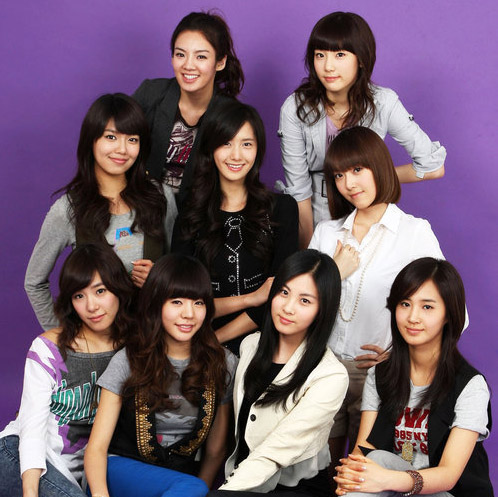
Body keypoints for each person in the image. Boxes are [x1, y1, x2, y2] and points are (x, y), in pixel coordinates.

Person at [240, 258, 495, 497]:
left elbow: (448, 475)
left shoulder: (469, 385)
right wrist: (351, 480)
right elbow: (364, 449)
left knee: (380, 462)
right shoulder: (381, 375)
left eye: (427, 307)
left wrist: (386, 478)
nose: (413, 317)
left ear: (449, 315)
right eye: (405, 304)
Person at [15, 255, 238, 497]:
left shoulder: (224, 364)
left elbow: (217, 450)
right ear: (157, 304)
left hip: (173, 487)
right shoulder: (129, 358)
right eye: (176, 302)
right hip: (115, 476)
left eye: (198, 303)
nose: (188, 314)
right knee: (193, 491)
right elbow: (97, 446)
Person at [139, 249, 349, 497]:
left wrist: (219, 495)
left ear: (322, 309)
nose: (288, 307)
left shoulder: (330, 376)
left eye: (305, 301)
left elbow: (274, 453)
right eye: (283, 292)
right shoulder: (251, 347)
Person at [310, 125, 447, 463]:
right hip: (321, 368)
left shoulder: (413, 232)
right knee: (315, 473)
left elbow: (451, 311)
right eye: (339, 175)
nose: (349, 183)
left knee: (365, 473)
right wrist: (334, 272)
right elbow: (299, 303)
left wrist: (400, 354)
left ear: (379, 166)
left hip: (378, 376)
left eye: (357, 169)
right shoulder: (326, 233)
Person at [0, 244, 134, 497]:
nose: (92, 306)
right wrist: (31, 491)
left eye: (100, 291)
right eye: (79, 296)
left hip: (76, 477)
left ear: (118, 289)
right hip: (18, 457)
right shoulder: (49, 347)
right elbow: (31, 427)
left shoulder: (133, 349)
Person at [277, 11, 447, 246]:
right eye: (319, 55)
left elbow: (433, 167)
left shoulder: (383, 102)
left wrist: (372, 177)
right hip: (316, 216)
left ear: (361, 59)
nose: (328, 66)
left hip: (371, 218)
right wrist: (309, 255)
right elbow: (299, 191)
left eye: (340, 55)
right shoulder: (295, 108)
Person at [25, 93, 171, 331]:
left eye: (132, 140)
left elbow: (181, 266)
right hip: (98, 344)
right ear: (91, 140)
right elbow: (34, 282)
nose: (122, 149)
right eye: (111, 137)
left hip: (154, 339)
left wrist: (160, 278)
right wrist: (62, 337)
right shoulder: (68, 209)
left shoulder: (160, 196)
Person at [172, 101, 298, 354]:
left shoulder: (282, 209)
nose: (236, 155)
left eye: (246, 144)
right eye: (226, 143)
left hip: (263, 348)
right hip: (199, 346)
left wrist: (214, 340)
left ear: (258, 150)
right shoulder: (190, 211)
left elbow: (280, 296)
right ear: (211, 148)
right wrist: (250, 298)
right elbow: (180, 298)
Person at [133, 11, 244, 212]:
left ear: (220, 62)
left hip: (200, 217)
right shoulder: (150, 94)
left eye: (200, 56)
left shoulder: (230, 114)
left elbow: (237, 182)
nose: (188, 65)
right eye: (180, 54)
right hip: (142, 211)